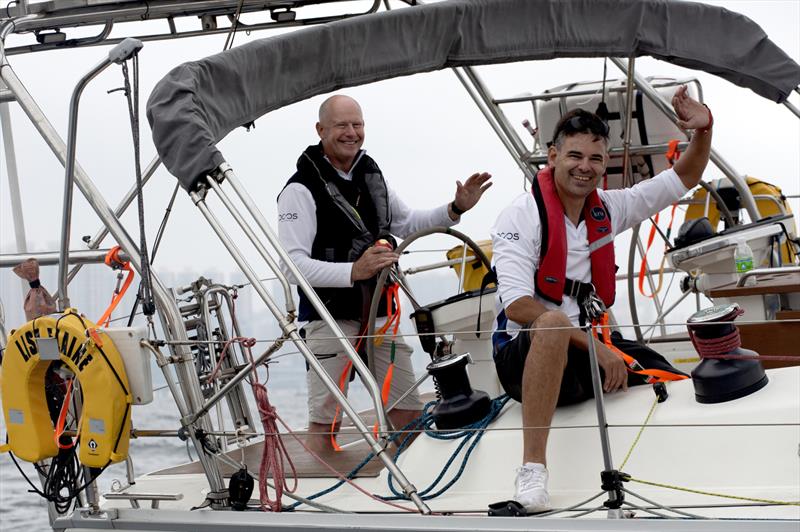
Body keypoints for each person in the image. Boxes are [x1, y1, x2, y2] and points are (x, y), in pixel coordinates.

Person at [490, 86, 711, 512]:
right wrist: (596, 347)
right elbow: (518, 306)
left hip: (591, 354)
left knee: (670, 377)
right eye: (574, 156)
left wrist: (703, 131)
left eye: (595, 159)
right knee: (552, 322)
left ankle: (683, 470)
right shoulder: (521, 216)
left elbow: (683, 177)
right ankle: (532, 473)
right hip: (524, 359)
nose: (585, 168)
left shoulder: (609, 207)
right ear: (552, 157)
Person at [278, 94, 492, 453]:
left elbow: (409, 222)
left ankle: (411, 491)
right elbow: (291, 267)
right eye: (342, 125)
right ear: (321, 130)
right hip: (329, 319)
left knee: (408, 411)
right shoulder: (299, 190)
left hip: (380, 316)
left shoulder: (371, 176)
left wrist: (455, 208)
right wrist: (354, 271)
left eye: (357, 124)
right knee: (325, 422)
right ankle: (325, 498)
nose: (351, 132)